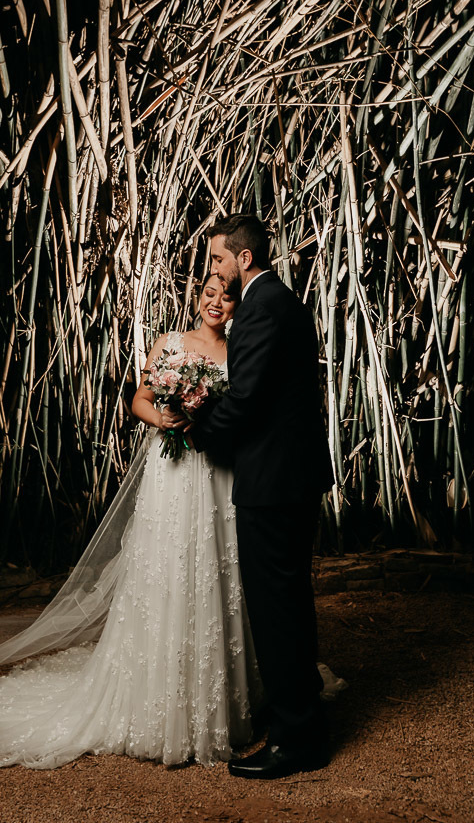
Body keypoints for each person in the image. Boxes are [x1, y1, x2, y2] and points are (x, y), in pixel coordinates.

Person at [0, 275, 261, 768]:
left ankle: (217, 696)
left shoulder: (236, 355)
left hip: (213, 477)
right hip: (171, 476)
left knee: (214, 572)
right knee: (165, 570)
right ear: (197, 297)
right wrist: (161, 419)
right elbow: (140, 400)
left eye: (226, 297)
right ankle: (154, 693)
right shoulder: (170, 343)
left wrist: (203, 419)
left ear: (234, 306)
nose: (215, 303)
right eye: (209, 294)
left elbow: (239, 417)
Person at [191, 214, 335, 780]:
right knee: (291, 606)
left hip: (273, 484)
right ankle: (300, 722)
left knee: (277, 613)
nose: (212, 270)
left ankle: (297, 740)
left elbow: (246, 397)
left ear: (243, 259)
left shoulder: (260, 307)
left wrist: (195, 429)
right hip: (291, 479)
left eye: (217, 260)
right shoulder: (282, 301)